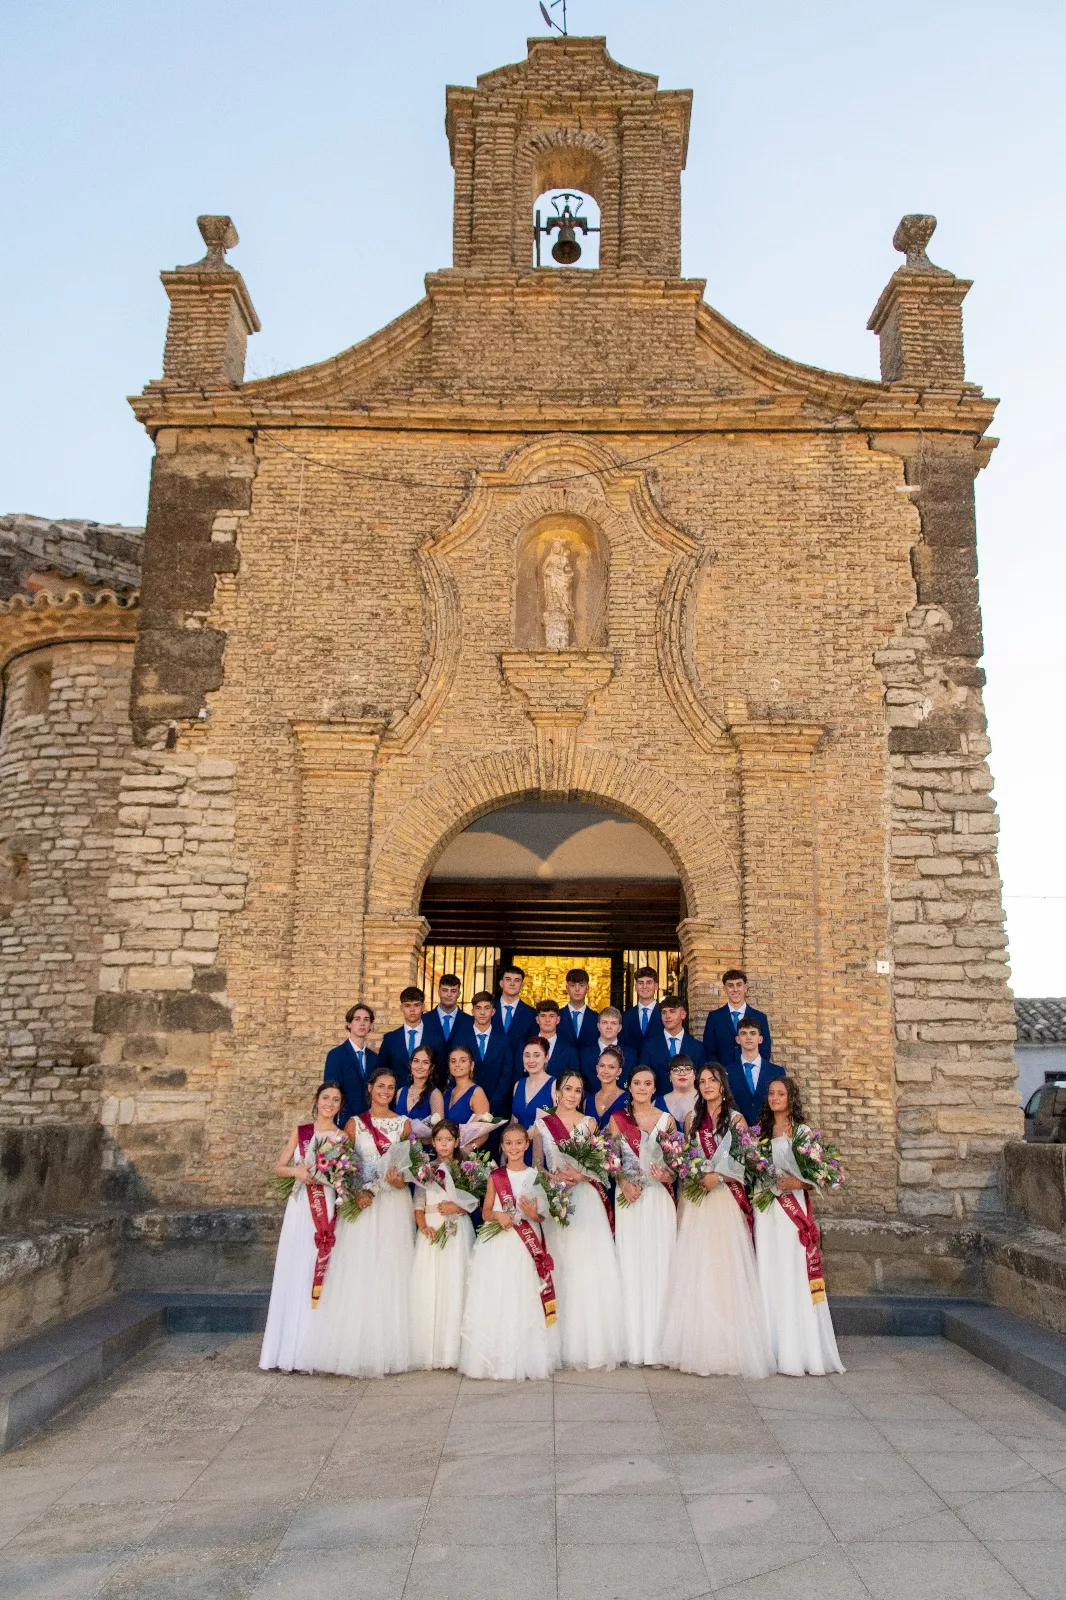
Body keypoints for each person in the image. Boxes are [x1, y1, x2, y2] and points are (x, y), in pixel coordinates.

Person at [660, 1063, 775, 1380]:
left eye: (712, 1080)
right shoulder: (690, 1119)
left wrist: (719, 1176)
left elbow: (745, 1161)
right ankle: (695, 1342)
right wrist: (696, 1175)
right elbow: (684, 1158)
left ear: (723, 1085)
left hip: (724, 1198)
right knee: (695, 1266)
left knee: (723, 1267)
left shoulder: (736, 1120)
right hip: (697, 1199)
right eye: (702, 1081)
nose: (707, 1084)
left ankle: (726, 1346)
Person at [306, 1066, 414, 1378]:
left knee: (391, 1268)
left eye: (391, 1087)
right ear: (370, 1088)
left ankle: (391, 1347)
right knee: (361, 1268)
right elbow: (344, 1165)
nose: (385, 1092)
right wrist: (357, 1193)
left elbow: (408, 1167)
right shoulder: (354, 1123)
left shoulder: (404, 1125)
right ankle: (355, 1344)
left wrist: (399, 1181)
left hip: (393, 1203)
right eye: (380, 1086)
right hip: (363, 1204)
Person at [534, 1067, 623, 1371]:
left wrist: (581, 1174)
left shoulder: (590, 1123)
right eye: (567, 1089)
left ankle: (586, 1342)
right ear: (556, 1092)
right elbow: (535, 1166)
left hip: (585, 1199)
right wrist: (552, 1178)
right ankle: (556, 1340)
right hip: (557, 1200)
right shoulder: (543, 1124)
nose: (572, 1095)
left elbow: (604, 1166)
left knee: (586, 1268)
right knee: (560, 1266)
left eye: (577, 1090)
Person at [756, 1077, 844, 1377]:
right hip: (766, 1209)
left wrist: (797, 1182)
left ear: (791, 1098)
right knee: (769, 1271)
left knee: (792, 1272)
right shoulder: (762, 1131)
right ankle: (772, 1347)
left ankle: (798, 1350)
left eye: (781, 1093)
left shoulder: (803, 1132)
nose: (775, 1097)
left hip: (792, 1210)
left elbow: (823, 1176)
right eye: (771, 1092)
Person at [458, 1121, 560, 1381]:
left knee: (524, 1293)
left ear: (526, 1145)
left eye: (518, 1143)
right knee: (500, 1293)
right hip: (501, 1242)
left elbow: (540, 1217)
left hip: (527, 1242)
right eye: (508, 1144)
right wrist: (499, 1216)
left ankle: (526, 1357)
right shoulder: (496, 1176)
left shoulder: (535, 1176)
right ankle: (497, 1356)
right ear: (502, 1147)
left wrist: (531, 1213)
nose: (514, 1148)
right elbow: (486, 1211)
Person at [260, 1082, 344, 1373]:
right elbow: (278, 1167)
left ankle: (313, 1347)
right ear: (316, 1101)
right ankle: (287, 1349)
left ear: (340, 1106)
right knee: (295, 1268)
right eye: (325, 1098)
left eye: (335, 1100)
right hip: (300, 1210)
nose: (329, 1104)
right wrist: (296, 1171)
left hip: (326, 1207)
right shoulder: (302, 1131)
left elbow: (345, 1177)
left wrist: (329, 1179)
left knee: (317, 1268)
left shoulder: (342, 1137)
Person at [609, 1066, 677, 1367]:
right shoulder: (616, 1120)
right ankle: (635, 1343)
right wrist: (623, 1183)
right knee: (632, 1264)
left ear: (654, 1088)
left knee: (659, 1264)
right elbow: (612, 1162)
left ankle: (660, 1344)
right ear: (629, 1086)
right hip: (629, 1198)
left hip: (658, 1199)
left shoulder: (667, 1121)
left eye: (648, 1083)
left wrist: (668, 1174)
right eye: (637, 1083)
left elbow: (678, 1166)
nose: (642, 1087)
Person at [409, 1118, 478, 1369]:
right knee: (430, 1285)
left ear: (457, 1141)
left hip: (457, 1229)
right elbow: (418, 1201)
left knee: (454, 1282)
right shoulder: (425, 1168)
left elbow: (474, 1201)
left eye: (449, 1140)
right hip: (431, 1229)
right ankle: (428, 1348)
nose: (444, 1144)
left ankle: (453, 1350)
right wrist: (422, 1224)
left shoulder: (466, 1166)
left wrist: (456, 1206)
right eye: (439, 1140)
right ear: (433, 1143)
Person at [702, 968, 773, 1071]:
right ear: (725, 988)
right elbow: (709, 1051)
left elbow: (765, 1051)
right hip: (723, 1078)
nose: (735, 989)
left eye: (739, 985)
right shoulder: (714, 1017)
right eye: (730, 985)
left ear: (745, 987)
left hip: (750, 1075)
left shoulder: (760, 1017)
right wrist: (719, 1073)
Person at [637, 995, 705, 1094]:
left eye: (672, 1011)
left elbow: (701, 1079)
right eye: (664, 1012)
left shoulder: (698, 1047)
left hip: (690, 1105)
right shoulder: (648, 1046)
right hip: (658, 1104)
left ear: (683, 1014)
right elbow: (643, 1077)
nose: (667, 1016)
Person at [323, 1003, 378, 1124]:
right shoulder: (335, 1055)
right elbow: (331, 1091)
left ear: (371, 1025)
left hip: (370, 1122)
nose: (362, 1023)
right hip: (344, 1122)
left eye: (366, 1020)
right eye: (357, 1019)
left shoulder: (375, 1058)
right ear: (349, 1024)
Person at [726, 1016, 785, 1128]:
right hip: (737, 1134)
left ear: (760, 1039)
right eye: (743, 1033)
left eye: (753, 1033)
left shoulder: (777, 1072)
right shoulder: (727, 1072)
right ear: (737, 1039)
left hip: (770, 1131)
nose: (748, 1037)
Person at [469, 991, 514, 1119]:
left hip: (497, 1107)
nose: (482, 1013)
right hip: (468, 1106)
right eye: (478, 1008)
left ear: (493, 1011)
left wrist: (494, 1101)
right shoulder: (461, 1038)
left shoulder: (504, 1040)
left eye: (487, 1008)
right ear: (472, 1011)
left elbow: (507, 1073)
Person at [444, 1044, 493, 1148]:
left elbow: (484, 1132)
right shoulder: (447, 1092)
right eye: (453, 1061)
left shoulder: (477, 1092)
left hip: (466, 1156)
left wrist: (467, 1150)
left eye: (463, 1061)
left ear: (472, 1065)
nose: (457, 1064)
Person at [376, 985, 426, 1084]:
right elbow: (382, 1071)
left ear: (423, 1007)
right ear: (401, 1008)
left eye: (416, 1005)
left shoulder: (436, 1038)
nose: (412, 1010)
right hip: (398, 1095)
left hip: (428, 1095)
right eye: (407, 1005)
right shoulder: (390, 1039)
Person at [396, 1044, 445, 1141]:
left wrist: (416, 1144)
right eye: (416, 1061)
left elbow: (439, 1131)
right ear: (410, 1064)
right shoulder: (400, 1091)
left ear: (431, 1068)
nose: (419, 1066)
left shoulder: (435, 1094)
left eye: (425, 1062)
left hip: (423, 1152)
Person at [423, 973, 476, 1063]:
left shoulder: (470, 1021)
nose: (449, 994)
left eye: (453, 991)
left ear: (459, 994)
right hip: (431, 1075)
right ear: (439, 992)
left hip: (460, 1074)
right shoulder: (424, 1020)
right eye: (445, 990)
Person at [579, 1005, 636, 1086]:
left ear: (620, 1028)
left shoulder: (631, 1055)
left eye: (613, 1023)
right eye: (605, 1022)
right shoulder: (584, 1054)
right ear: (598, 1026)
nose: (609, 1027)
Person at [511, 1036, 556, 1136]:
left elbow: (557, 1124)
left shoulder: (554, 1085)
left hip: (543, 1148)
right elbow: (514, 1120)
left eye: (536, 1055)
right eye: (527, 1055)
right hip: (519, 1148)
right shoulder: (518, 1085)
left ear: (546, 1057)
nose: (531, 1060)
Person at [491, 964, 539, 1050]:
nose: (512, 984)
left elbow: (533, 1045)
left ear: (522, 985)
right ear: (501, 983)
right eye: (508, 979)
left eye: (517, 980)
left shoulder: (531, 1013)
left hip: (519, 1062)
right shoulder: (488, 1009)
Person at [557, 967, 600, 1062]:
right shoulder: (556, 1017)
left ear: (587, 988)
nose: (577, 989)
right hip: (562, 1068)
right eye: (572, 985)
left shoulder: (597, 1018)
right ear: (567, 988)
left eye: (581, 985)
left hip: (590, 1068)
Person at [621, 966, 665, 1054]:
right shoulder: (625, 1016)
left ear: (656, 986)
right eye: (641, 983)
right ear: (636, 986)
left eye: (649, 982)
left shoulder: (665, 1014)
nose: (644, 986)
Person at [531, 999, 580, 1079]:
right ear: (537, 1019)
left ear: (558, 1020)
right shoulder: (524, 1047)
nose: (547, 1020)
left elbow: (574, 1081)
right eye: (543, 1016)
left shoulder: (570, 1051)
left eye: (551, 1016)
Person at [585, 1046, 628, 1131]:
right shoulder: (587, 1102)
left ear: (619, 1071)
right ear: (597, 1068)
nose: (605, 1071)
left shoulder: (628, 1099)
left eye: (611, 1067)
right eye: (602, 1066)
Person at [655, 1053, 698, 1130]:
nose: (682, 1073)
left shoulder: (706, 1100)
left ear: (695, 1074)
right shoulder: (657, 1104)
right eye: (676, 1070)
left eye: (687, 1069)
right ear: (669, 1076)